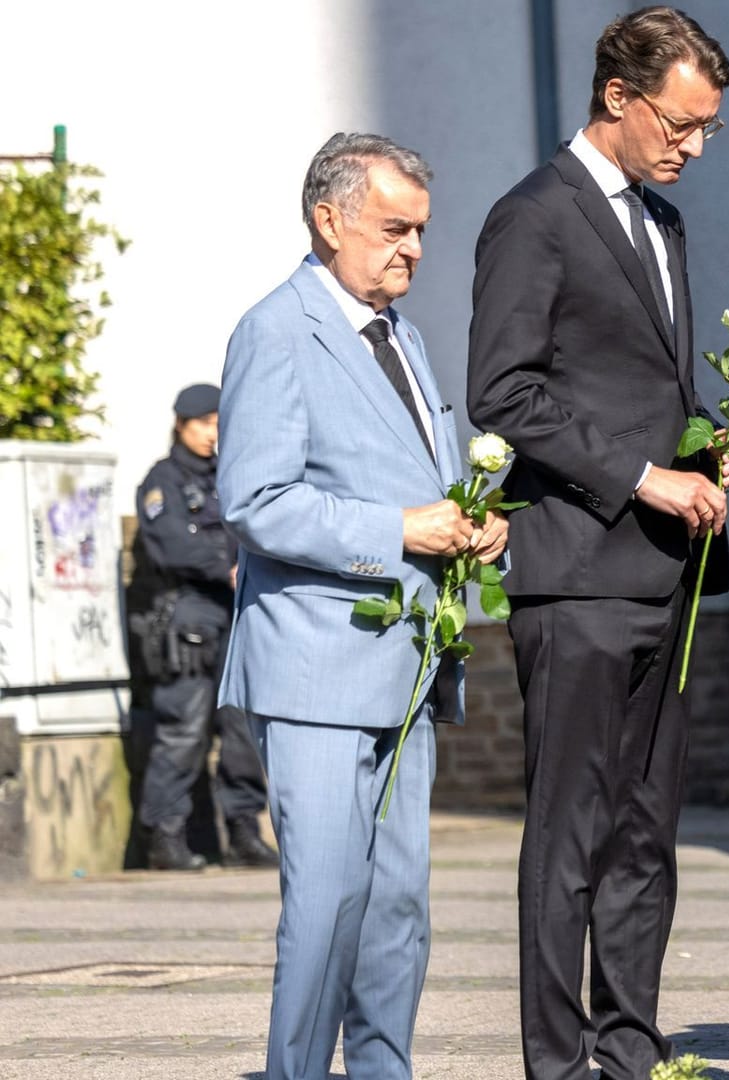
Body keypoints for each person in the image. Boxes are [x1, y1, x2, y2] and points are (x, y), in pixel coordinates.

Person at [464, 9, 729, 1078]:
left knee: (645, 840)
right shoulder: (534, 216)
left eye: (711, 129)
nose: (694, 145)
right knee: (572, 837)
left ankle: (631, 1052)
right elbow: (502, 391)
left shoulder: (662, 222)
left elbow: (636, 390)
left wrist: (707, 450)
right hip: (576, 572)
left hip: (662, 576)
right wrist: (642, 476)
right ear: (619, 99)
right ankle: (559, 1063)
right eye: (683, 123)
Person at [219, 132, 506, 1080]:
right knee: (329, 901)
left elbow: (419, 478)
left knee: (397, 909)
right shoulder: (277, 328)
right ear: (328, 218)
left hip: (408, 663)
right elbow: (255, 501)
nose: (414, 249)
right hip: (315, 664)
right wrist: (401, 531)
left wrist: (470, 520)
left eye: (422, 231)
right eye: (394, 229)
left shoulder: (403, 335)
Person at [126, 384, 276, 872]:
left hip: (237, 618)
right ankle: (164, 838)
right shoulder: (162, 480)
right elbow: (171, 544)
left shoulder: (233, 477)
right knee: (184, 732)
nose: (213, 433)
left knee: (242, 731)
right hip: (187, 620)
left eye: (218, 422)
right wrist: (225, 568)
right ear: (181, 424)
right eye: (203, 423)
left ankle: (244, 833)